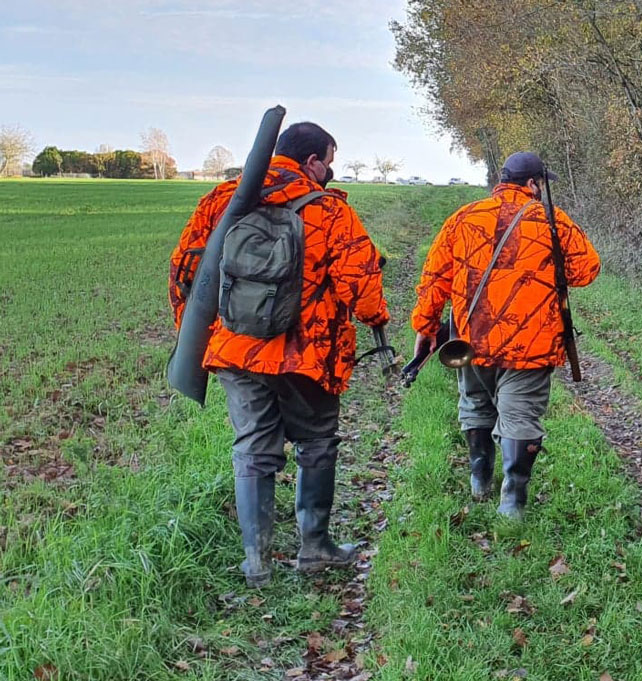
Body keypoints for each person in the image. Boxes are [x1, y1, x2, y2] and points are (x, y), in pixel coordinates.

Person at [169, 122, 390, 587]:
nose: (331, 170)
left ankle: (257, 563)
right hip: (307, 353)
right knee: (316, 443)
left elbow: (186, 268)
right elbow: (362, 288)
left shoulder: (222, 199)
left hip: (235, 348)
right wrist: (377, 320)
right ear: (312, 161)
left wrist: (200, 335)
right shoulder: (329, 211)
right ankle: (315, 549)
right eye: (329, 160)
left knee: (252, 447)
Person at [411, 151, 601, 519]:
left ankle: (479, 480)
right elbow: (586, 270)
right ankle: (511, 504)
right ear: (533, 184)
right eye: (542, 184)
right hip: (529, 343)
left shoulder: (462, 219)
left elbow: (434, 279)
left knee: (475, 405)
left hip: (471, 340)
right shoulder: (552, 222)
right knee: (520, 417)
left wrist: (425, 327)